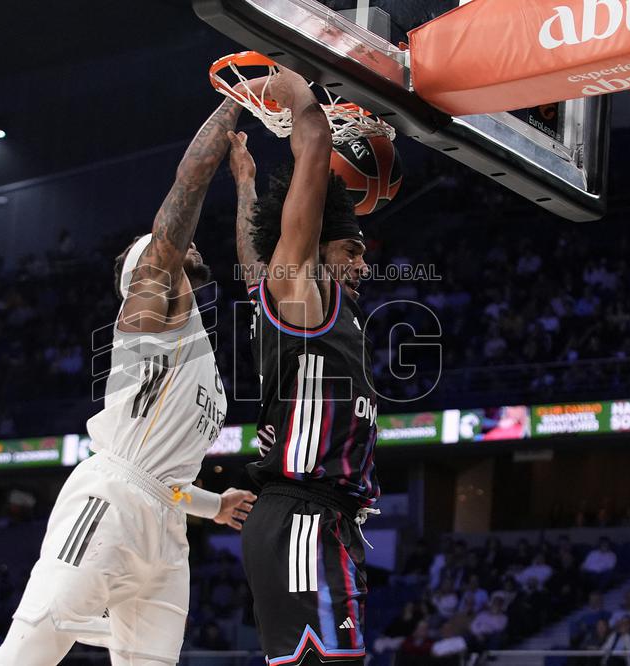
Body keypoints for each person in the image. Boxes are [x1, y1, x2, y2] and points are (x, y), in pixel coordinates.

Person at [0, 97, 258, 666]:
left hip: (167, 527)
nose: (184, 249)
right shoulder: (147, 317)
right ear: (148, 272)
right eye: (167, 252)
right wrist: (235, 101)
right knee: (31, 651)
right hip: (109, 502)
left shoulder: (196, 341)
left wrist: (212, 504)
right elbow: (187, 184)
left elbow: (166, 482)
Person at [228, 67, 380, 665]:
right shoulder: (302, 293)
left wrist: (246, 184)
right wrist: (297, 82)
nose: (364, 265)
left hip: (318, 518)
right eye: (352, 250)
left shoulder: (293, 300)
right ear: (314, 250)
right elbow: (314, 153)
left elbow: (251, 259)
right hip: (303, 516)